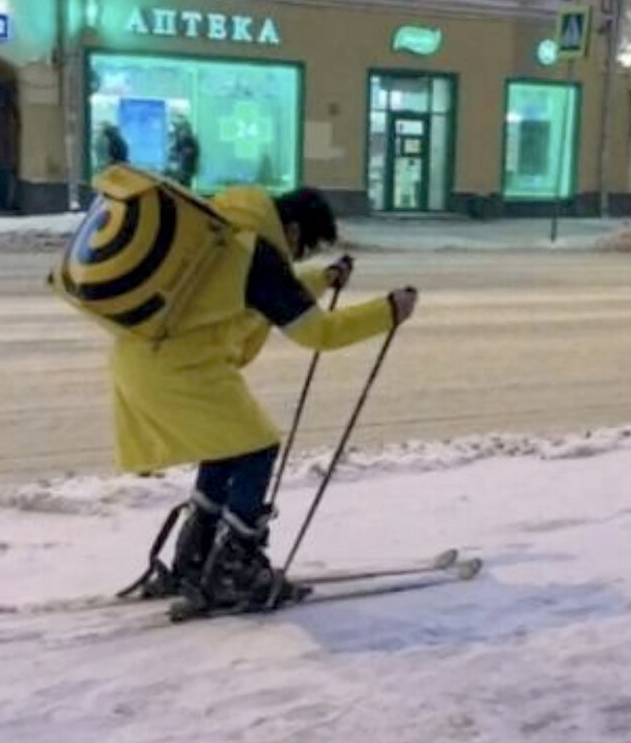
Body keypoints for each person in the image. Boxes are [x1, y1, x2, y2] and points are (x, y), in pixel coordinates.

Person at [112, 184, 418, 609]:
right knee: (258, 446)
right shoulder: (259, 255)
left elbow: (266, 297)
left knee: (228, 445)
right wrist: (388, 311)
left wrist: (324, 280)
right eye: (302, 248)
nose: (296, 257)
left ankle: (197, 555)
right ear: (290, 230)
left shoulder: (229, 231)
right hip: (180, 369)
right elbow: (318, 332)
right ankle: (232, 570)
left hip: (144, 358)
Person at [166, 117, 200, 189]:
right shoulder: (180, 139)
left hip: (186, 169)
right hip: (183, 169)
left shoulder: (190, 140)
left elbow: (195, 153)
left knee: (185, 185)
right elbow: (175, 151)